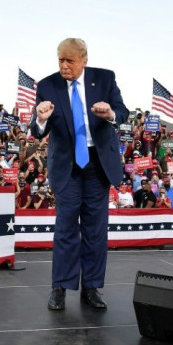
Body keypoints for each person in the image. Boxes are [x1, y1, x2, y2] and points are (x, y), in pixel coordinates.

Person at [29, 37, 129, 311]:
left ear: (84, 60)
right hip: (67, 166)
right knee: (65, 229)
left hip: (98, 165)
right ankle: (60, 287)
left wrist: (110, 113)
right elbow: (38, 130)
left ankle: (92, 287)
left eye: (69, 61)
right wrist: (41, 117)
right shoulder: (47, 85)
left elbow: (123, 112)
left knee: (96, 231)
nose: (64, 66)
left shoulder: (105, 79)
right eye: (60, 60)